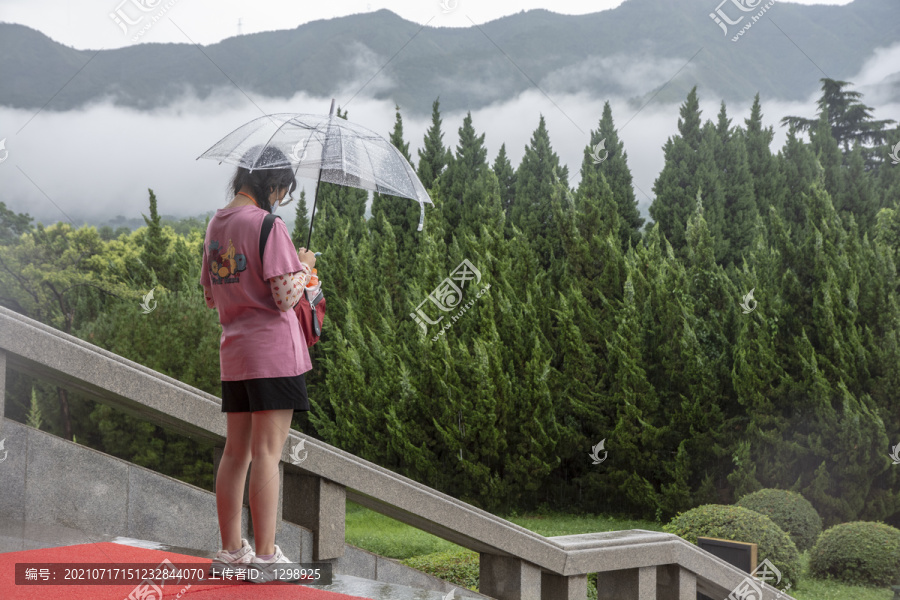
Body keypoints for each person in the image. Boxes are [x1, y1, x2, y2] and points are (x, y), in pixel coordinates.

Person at [200, 145, 321, 584]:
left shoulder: (217, 224)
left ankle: (232, 551)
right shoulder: (269, 225)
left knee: (236, 453)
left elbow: (211, 293)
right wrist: (305, 268)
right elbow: (286, 298)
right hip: (274, 354)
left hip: (235, 353)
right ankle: (268, 558)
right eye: (282, 190)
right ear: (271, 185)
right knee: (269, 454)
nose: (282, 199)